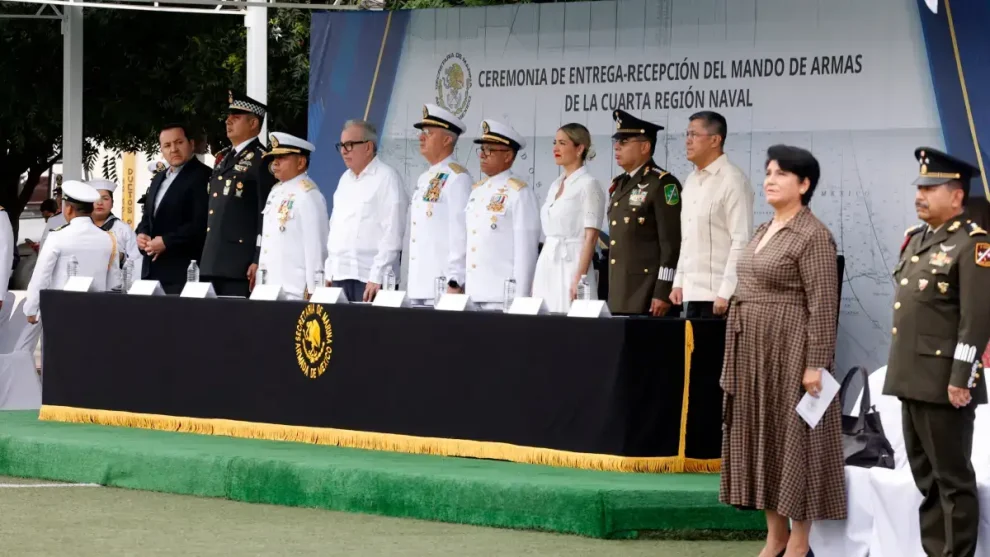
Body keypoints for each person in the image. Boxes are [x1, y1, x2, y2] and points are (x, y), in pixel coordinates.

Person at [719, 145, 844, 557]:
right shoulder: (763, 228)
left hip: (791, 349)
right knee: (764, 438)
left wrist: (815, 364)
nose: (770, 180)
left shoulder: (814, 235)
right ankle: (774, 537)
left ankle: (800, 542)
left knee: (796, 441)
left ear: (804, 185)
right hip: (754, 350)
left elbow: (823, 305)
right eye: (768, 172)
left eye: (781, 174)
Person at [883, 147, 990, 557]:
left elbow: (975, 319)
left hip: (946, 384)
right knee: (926, 479)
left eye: (931, 188)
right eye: (920, 187)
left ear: (957, 195)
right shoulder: (917, 239)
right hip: (912, 378)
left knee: (953, 480)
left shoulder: (973, 245)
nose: (920, 195)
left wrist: (961, 378)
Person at [18, 181, 118, 356]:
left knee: (59, 361)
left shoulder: (57, 236)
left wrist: (32, 308)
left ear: (69, 209)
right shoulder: (108, 238)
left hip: (61, 310)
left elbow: (41, 275)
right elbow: (114, 279)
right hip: (96, 310)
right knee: (91, 358)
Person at [669, 111, 753, 318]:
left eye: (694, 134)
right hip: (692, 294)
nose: (687, 141)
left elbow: (741, 241)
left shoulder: (733, 180)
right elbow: (687, 237)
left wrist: (726, 291)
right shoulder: (691, 180)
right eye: (687, 134)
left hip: (720, 297)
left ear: (715, 140)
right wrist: (679, 281)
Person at [606, 110, 682, 316]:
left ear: (645, 147)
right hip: (621, 291)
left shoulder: (662, 183)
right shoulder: (619, 184)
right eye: (616, 141)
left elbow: (671, 244)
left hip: (648, 294)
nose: (617, 146)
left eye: (624, 141)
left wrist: (663, 290)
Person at [201, 92, 276, 297]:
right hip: (212, 260)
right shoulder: (223, 158)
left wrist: (258, 258)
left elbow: (265, 213)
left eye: (236, 117)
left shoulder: (262, 160)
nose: (228, 121)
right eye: (228, 117)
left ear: (253, 123)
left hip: (239, 264)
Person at [324, 119, 407, 302]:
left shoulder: (387, 178)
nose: (344, 151)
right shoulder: (344, 180)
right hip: (340, 275)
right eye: (341, 146)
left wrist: (377, 275)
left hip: (370, 278)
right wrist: (329, 271)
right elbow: (335, 228)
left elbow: (393, 232)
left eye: (349, 145)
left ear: (368, 147)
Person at [463, 119, 540, 309]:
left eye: (489, 150)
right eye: (482, 149)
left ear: (508, 156)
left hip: (501, 297)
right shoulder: (477, 191)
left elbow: (526, 252)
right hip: (473, 294)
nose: (483, 155)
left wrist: (520, 299)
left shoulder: (519, 192)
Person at [531, 123, 605, 313]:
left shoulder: (589, 184)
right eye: (555, 142)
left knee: (570, 317)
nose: (556, 148)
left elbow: (591, 237)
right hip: (548, 261)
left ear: (579, 149)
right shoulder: (555, 185)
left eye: (562, 143)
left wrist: (580, 278)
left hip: (572, 262)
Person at [407, 104, 473, 303]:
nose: (421, 137)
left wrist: (455, 281)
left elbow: (461, 233)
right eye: (421, 132)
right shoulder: (425, 178)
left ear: (447, 140)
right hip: (419, 285)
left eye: (428, 133)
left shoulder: (457, 178)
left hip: (441, 288)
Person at [136, 123, 212, 294]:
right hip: (151, 271)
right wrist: (142, 234)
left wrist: (166, 241)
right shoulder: (159, 178)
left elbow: (201, 223)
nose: (173, 149)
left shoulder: (204, 176)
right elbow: (148, 216)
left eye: (179, 142)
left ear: (191, 143)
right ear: (161, 150)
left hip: (183, 272)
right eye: (167, 145)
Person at [258, 132, 329, 300]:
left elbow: (316, 246)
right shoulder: (275, 192)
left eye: (282, 157)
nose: (275, 162)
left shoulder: (308, 195)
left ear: (301, 162)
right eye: (275, 157)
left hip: (294, 291)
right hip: (269, 287)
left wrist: (314, 289)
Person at [89, 179, 142, 284]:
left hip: (115, 287)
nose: (99, 203)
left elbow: (136, 262)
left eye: (105, 198)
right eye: (95, 198)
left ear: (112, 203)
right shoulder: (81, 228)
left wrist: (121, 258)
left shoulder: (124, 229)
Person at [39, 184, 65, 249]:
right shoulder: (54, 220)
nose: (59, 198)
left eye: (61, 195)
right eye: (58, 195)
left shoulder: (54, 220)